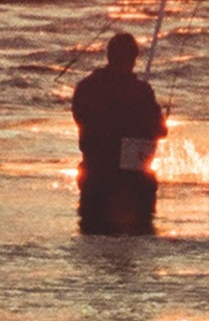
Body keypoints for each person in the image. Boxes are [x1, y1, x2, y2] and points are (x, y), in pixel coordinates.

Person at [71, 29, 165, 234]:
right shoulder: (139, 91)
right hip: (112, 179)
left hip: (106, 177)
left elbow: (159, 130)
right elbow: (159, 129)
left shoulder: (87, 87)